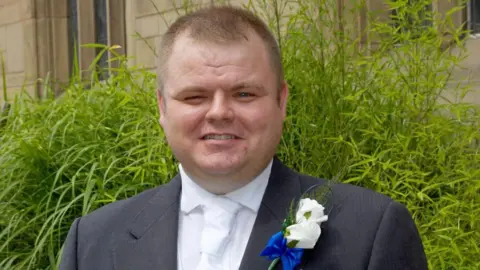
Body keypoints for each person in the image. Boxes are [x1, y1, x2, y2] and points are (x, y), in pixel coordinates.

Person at [60, 5, 428, 270]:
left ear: (281, 101)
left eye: (244, 94)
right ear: (162, 107)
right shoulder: (92, 241)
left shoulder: (372, 231)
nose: (219, 112)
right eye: (194, 96)